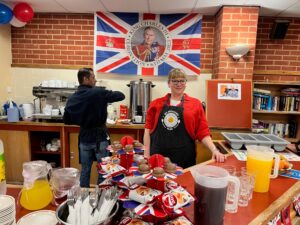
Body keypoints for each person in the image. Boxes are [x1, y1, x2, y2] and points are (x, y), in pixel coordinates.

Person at [143, 68, 226, 169]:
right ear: (169, 83)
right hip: (158, 157)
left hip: (184, 157)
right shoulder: (155, 104)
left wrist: (214, 150)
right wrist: (146, 156)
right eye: (175, 81)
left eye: (182, 80)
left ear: (185, 83)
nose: (179, 84)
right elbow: (147, 132)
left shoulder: (195, 104)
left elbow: (203, 132)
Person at [63, 68, 125, 187]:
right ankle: (100, 198)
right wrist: (105, 94)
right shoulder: (98, 93)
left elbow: (67, 120)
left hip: (84, 137)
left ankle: (84, 199)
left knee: (85, 170)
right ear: (86, 79)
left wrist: (84, 119)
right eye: (93, 77)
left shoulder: (73, 98)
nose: (95, 80)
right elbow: (121, 95)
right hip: (99, 137)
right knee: (103, 170)